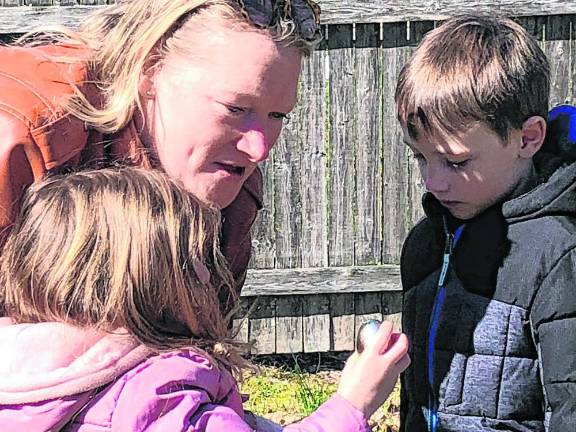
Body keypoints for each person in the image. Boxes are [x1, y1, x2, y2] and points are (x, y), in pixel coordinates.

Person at [0, 167, 410, 431]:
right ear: (146, 284)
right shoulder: (160, 392)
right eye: (198, 258)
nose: (213, 271)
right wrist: (353, 402)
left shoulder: (26, 386)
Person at [0, 0, 320, 305]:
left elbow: (202, 354)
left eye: (277, 116)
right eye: (235, 108)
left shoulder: (227, 189)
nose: (259, 149)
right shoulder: (25, 134)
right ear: (150, 68)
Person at [395, 15, 576, 432]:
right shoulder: (426, 243)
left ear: (528, 139)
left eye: (456, 162)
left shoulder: (558, 254)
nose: (432, 181)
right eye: (421, 157)